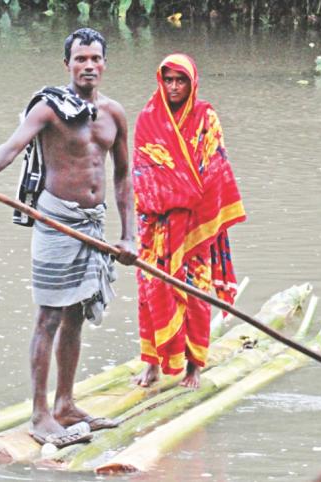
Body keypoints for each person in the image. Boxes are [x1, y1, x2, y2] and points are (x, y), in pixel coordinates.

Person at [0, 28, 137, 448]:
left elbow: (124, 175)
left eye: (95, 58)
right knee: (49, 316)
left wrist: (130, 236)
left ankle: (66, 404)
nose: (88, 66)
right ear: (67, 65)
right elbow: (11, 147)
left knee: (75, 316)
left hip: (94, 223)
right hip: (56, 221)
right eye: (80, 59)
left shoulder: (115, 114)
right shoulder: (49, 109)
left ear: (105, 64)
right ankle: (39, 413)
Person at [131, 53, 246, 389]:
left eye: (181, 80)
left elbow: (215, 167)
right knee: (151, 292)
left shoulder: (206, 117)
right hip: (158, 227)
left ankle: (194, 367)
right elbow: (143, 172)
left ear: (192, 82)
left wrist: (185, 192)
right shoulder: (148, 118)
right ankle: (151, 364)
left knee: (196, 294)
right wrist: (176, 192)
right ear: (160, 81)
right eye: (168, 80)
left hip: (195, 224)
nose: (174, 87)